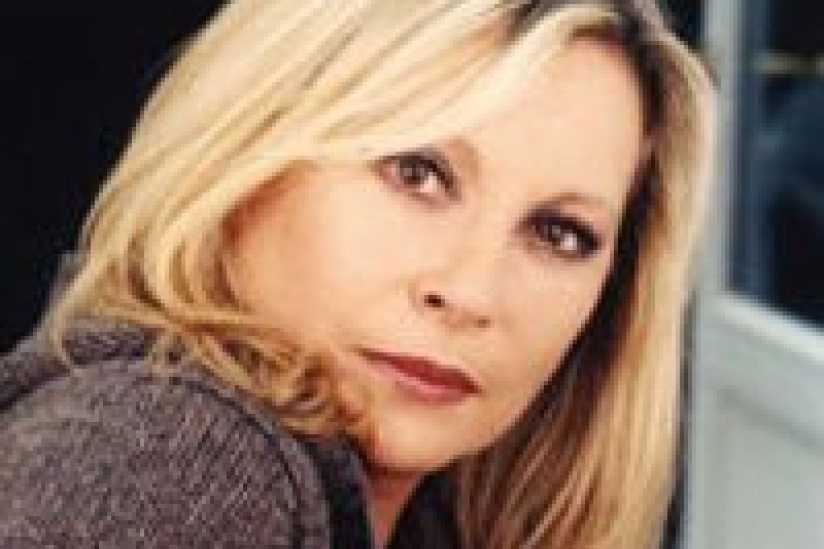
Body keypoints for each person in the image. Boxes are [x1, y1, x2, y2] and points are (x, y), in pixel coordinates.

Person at [0, 0, 714, 547]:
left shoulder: (415, 515)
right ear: (250, 153)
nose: (469, 291)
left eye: (559, 233)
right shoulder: (173, 458)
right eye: (417, 173)